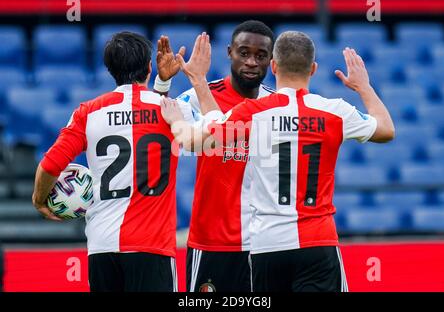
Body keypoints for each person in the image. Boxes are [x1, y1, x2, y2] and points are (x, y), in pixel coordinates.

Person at [161, 31, 395, 292]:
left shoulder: (255, 111)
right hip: (318, 241)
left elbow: (194, 140)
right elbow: (386, 130)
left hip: (267, 244)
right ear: (314, 69)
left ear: (273, 66)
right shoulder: (334, 110)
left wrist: (177, 120)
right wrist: (364, 87)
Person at [32, 31, 193, 292]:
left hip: (102, 246)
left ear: (110, 69)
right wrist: (165, 85)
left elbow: (50, 165)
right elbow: (206, 137)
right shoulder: (172, 110)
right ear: (150, 67)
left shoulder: (88, 112)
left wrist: (39, 199)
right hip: (152, 245)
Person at [168, 20, 275, 292]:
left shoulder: (277, 107)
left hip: (264, 242)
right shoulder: (194, 97)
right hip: (211, 241)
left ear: (272, 61)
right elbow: (180, 138)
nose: (251, 61)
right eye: (244, 52)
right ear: (229, 52)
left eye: (261, 55)